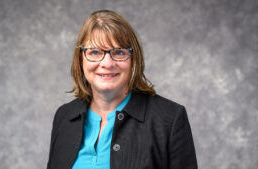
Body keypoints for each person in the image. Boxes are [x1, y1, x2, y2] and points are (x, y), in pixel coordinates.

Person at [47, 10, 197, 169]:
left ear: (134, 59)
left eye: (118, 52)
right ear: (80, 59)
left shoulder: (169, 119)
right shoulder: (64, 116)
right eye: (95, 52)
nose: (107, 63)